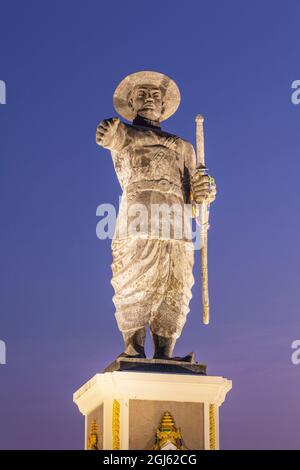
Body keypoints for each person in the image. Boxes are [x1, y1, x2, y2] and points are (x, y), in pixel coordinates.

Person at [96, 71, 216, 360]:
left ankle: (165, 351)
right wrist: (108, 132)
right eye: (142, 95)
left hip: (177, 225)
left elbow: (195, 195)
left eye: (155, 96)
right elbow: (110, 137)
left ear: (163, 106)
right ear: (131, 103)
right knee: (133, 279)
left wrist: (206, 190)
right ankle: (133, 347)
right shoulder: (125, 135)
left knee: (175, 282)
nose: (149, 99)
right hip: (139, 218)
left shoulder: (184, 147)